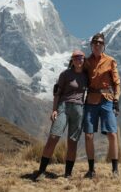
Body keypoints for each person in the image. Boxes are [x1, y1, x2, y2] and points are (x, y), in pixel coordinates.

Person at [34, 49, 88, 181]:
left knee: (72, 142)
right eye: (75, 58)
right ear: (72, 60)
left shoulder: (87, 76)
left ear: (84, 59)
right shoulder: (65, 74)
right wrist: (54, 110)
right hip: (63, 106)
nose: (78, 60)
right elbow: (57, 93)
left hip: (79, 109)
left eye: (80, 57)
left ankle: (68, 174)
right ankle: (41, 171)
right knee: (53, 137)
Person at [83, 33, 121, 178]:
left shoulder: (111, 61)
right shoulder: (86, 62)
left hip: (107, 100)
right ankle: (91, 170)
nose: (97, 45)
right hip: (91, 100)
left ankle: (115, 170)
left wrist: (116, 99)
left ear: (103, 45)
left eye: (100, 43)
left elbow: (117, 82)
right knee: (88, 135)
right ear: (91, 45)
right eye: (95, 43)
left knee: (112, 134)